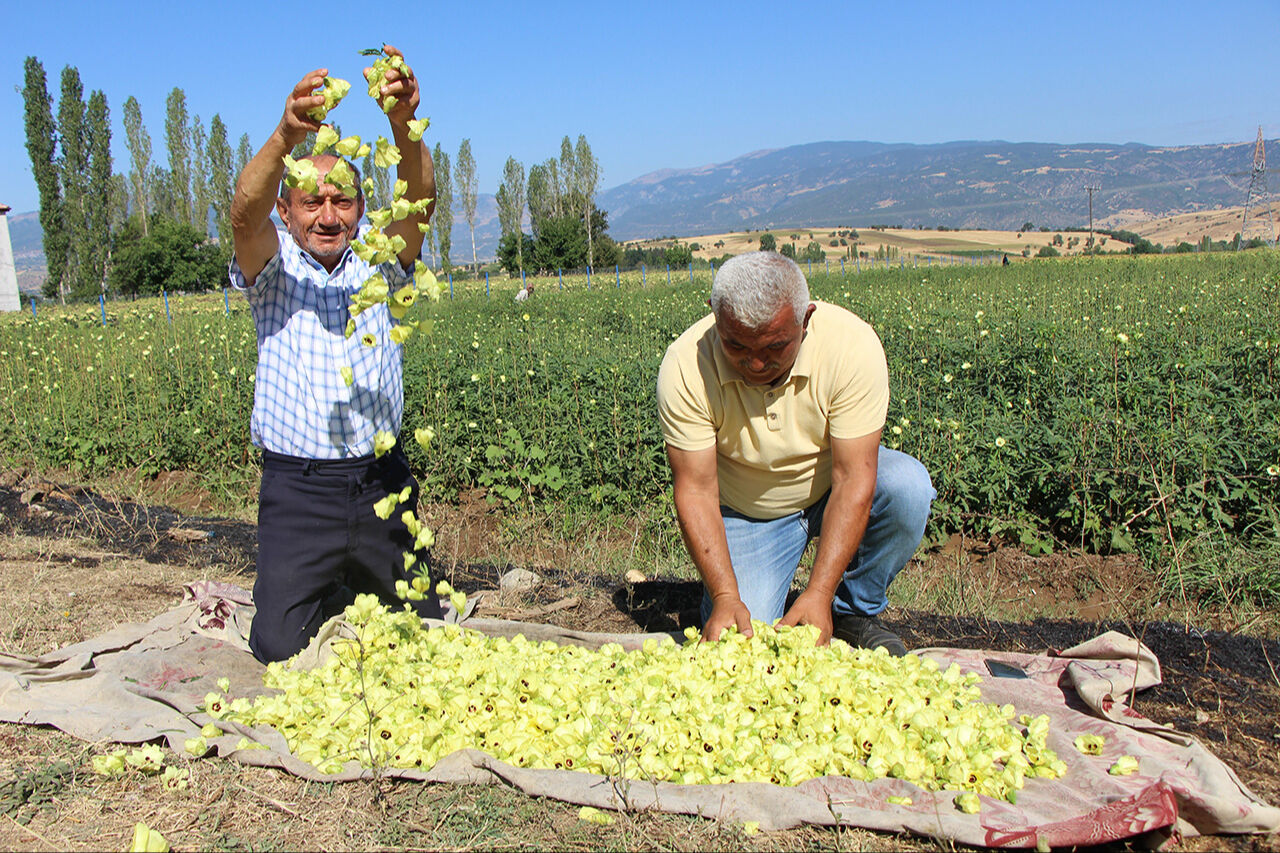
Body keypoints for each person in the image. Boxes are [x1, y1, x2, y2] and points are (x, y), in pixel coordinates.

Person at [229, 46, 441, 663]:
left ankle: (355, 583)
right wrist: (286, 135)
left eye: (342, 200)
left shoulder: (380, 259)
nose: (328, 215)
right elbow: (242, 216)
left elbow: (420, 200)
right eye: (311, 201)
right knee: (277, 647)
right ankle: (333, 587)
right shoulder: (272, 267)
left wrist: (403, 123)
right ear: (286, 210)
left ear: (361, 208)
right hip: (300, 492)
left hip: (381, 481)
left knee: (425, 637)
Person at [656, 251, 934, 655]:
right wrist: (725, 594)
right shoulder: (686, 365)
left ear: (805, 320)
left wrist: (820, 590)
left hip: (831, 484)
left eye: (775, 347)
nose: (755, 363)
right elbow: (695, 490)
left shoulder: (851, 346)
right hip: (750, 510)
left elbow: (853, 478)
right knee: (747, 641)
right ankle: (736, 596)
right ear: (715, 315)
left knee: (907, 487)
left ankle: (853, 611)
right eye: (736, 345)